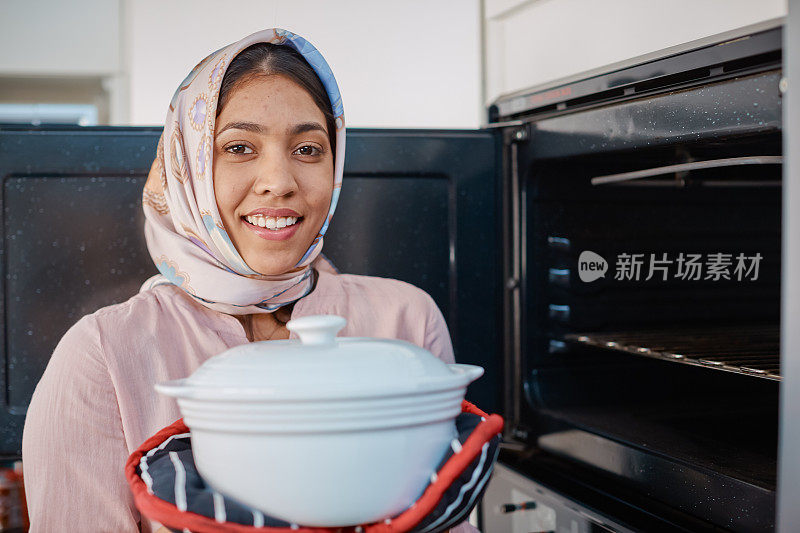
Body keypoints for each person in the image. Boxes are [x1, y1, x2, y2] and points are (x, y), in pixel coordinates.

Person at [21, 28, 478, 533]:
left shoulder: (405, 318)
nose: (280, 181)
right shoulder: (103, 354)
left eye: (308, 150)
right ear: (187, 166)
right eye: (238, 147)